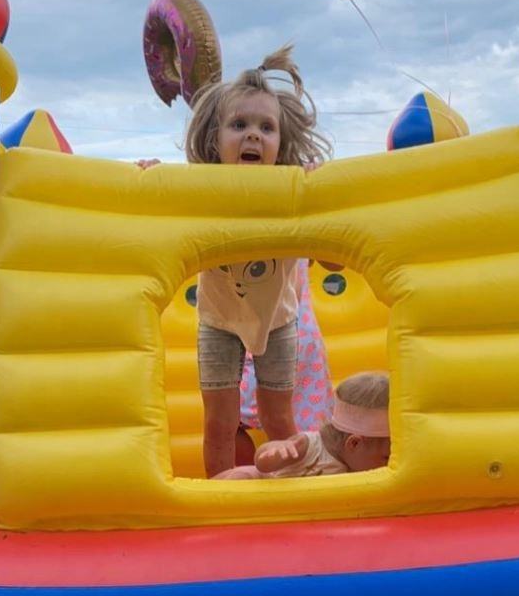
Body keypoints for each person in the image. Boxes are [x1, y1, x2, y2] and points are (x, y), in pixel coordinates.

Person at [137, 45, 331, 478]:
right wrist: (151, 179)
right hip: (219, 321)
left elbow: (333, 261)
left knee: (279, 419)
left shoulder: (291, 195)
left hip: (278, 321)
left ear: (281, 143)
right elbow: (158, 216)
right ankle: (221, 493)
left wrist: (320, 199)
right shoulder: (204, 194)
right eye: (239, 125)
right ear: (215, 139)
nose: (253, 136)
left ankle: (294, 486)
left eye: (266, 127)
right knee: (219, 423)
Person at [214, 371, 391, 480]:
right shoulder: (308, 446)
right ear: (354, 443)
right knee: (240, 477)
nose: (389, 464)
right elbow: (262, 464)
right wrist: (275, 449)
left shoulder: (354, 465)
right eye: (386, 457)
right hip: (255, 486)